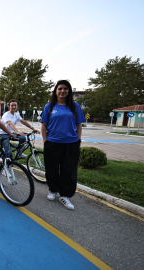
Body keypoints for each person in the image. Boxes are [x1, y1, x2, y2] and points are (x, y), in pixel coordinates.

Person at [41, 80, 85, 211]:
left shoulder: (74, 106)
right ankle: (53, 190)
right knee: (52, 169)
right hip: (52, 143)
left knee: (69, 170)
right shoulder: (49, 106)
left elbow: (79, 125)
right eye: (60, 88)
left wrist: (78, 140)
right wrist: (45, 141)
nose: (62, 91)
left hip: (71, 144)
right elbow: (43, 125)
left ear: (69, 91)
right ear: (56, 91)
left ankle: (65, 195)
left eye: (65, 89)